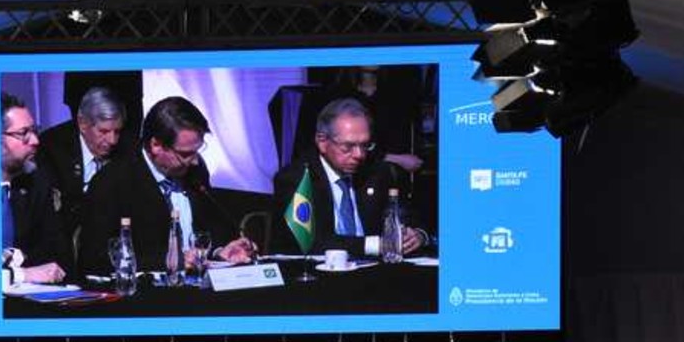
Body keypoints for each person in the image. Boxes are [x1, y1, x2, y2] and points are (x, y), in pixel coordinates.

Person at [77, 95, 255, 277]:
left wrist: (221, 251)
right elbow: (94, 259)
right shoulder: (113, 182)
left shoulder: (196, 170)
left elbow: (210, 227)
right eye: (185, 154)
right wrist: (168, 260)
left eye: (197, 150)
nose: (194, 161)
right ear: (156, 145)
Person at [270, 97, 429, 259]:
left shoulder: (379, 173)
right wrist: (377, 244)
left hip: (375, 272)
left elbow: (411, 218)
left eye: (365, 145)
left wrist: (418, 235)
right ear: (322, 141)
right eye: (348, 146)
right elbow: (308, 241)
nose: (359, 155)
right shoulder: (296, 178)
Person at [39, 85, 127, 253]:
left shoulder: (127, 148)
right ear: (82, 123)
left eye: (117, 131)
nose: (113, 140)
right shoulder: (51, 148)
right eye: (104, 131)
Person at [0, 93, 68, 285]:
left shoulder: (37, 183)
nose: (35, 140)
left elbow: (54, 259)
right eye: (23, 134)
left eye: (35, 131)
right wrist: (20, 275)